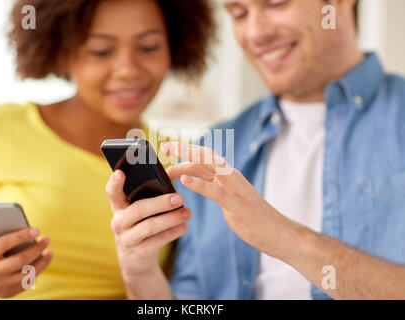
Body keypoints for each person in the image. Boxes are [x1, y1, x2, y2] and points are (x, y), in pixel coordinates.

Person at [106, 0, 405, 299]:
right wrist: (140, 272)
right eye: (239, 13)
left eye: (275, 3)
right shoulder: (214, 147)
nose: (255, 33)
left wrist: (288, 239)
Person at [0, 0, 215, 299]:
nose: (128, 70)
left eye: (148, 47)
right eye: (101, 51)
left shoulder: (176, 160)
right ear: (62, 54)